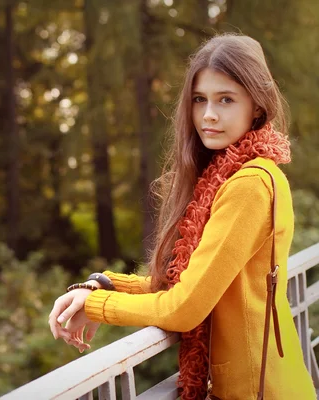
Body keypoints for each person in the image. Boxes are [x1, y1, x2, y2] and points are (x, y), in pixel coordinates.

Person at [48, 33, 316, 399]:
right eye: (199, 99)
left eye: (226, 99)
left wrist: (98, 306)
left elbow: (184, 308)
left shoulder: (249, 185)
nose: (208, 114)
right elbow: (186, 284)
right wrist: (104, 285)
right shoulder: (230, 176)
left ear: (256, 106)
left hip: (259, 390)